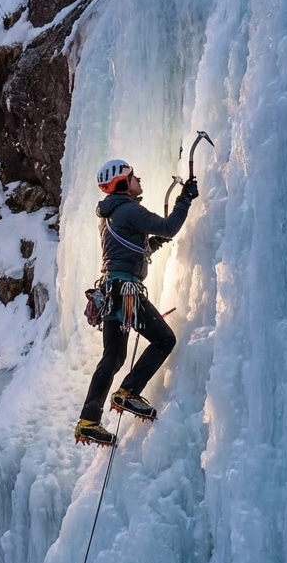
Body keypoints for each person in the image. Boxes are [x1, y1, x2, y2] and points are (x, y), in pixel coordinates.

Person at [74, 158, 198, 445]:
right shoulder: (129, 209)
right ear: (122, 183)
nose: (138, 179)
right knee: (164, 340)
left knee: (113, 357)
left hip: (110, 293)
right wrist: (185, 199)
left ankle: (89, 420)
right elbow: (169, 227)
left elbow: (123, 251)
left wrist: (149, 245)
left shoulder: (109, 215)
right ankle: (128, 392)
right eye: (133, 176)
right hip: (126, 291)